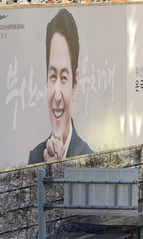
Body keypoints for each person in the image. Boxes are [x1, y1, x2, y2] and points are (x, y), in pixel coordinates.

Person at [28, 8, 93, 164]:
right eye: (52, 76)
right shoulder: (35, 156)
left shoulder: (88, 157)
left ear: (74, 83)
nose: (57, 96)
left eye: (64, 77)